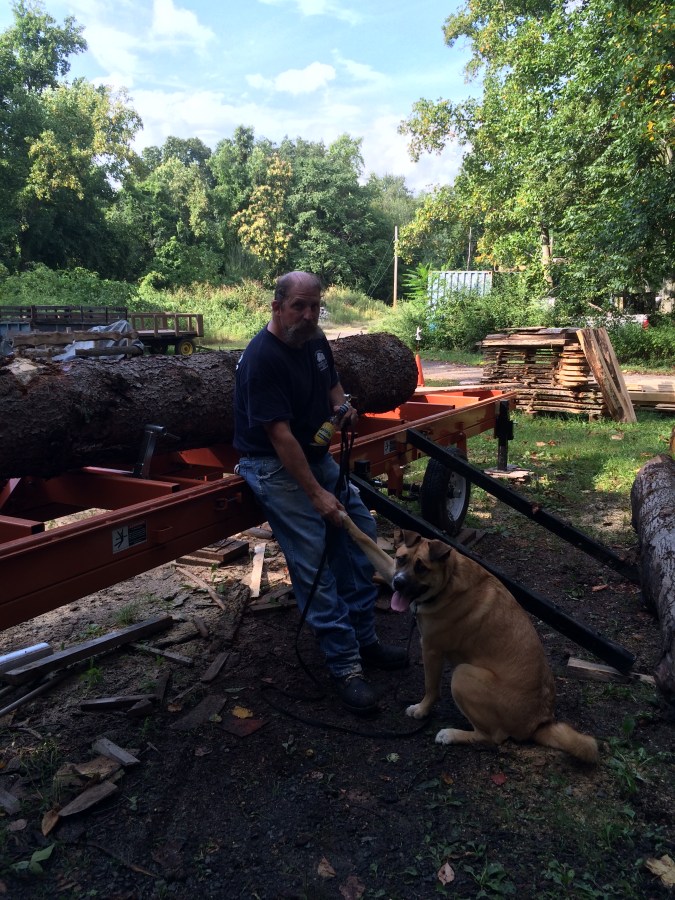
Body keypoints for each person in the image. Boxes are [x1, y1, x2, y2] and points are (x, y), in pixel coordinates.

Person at [234, 271, 407, 714]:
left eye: (314, 306)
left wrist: (341, 407)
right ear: (277, 307)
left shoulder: (314, 341)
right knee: (314, 560)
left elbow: (333, 385)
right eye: (299, 306)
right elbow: (279, 436)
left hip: (311, 456)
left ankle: (365, 640)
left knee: (361, 533)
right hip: (272, 464)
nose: (308, 315)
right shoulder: (262, 359)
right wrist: (315, 495)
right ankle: (345, 667)